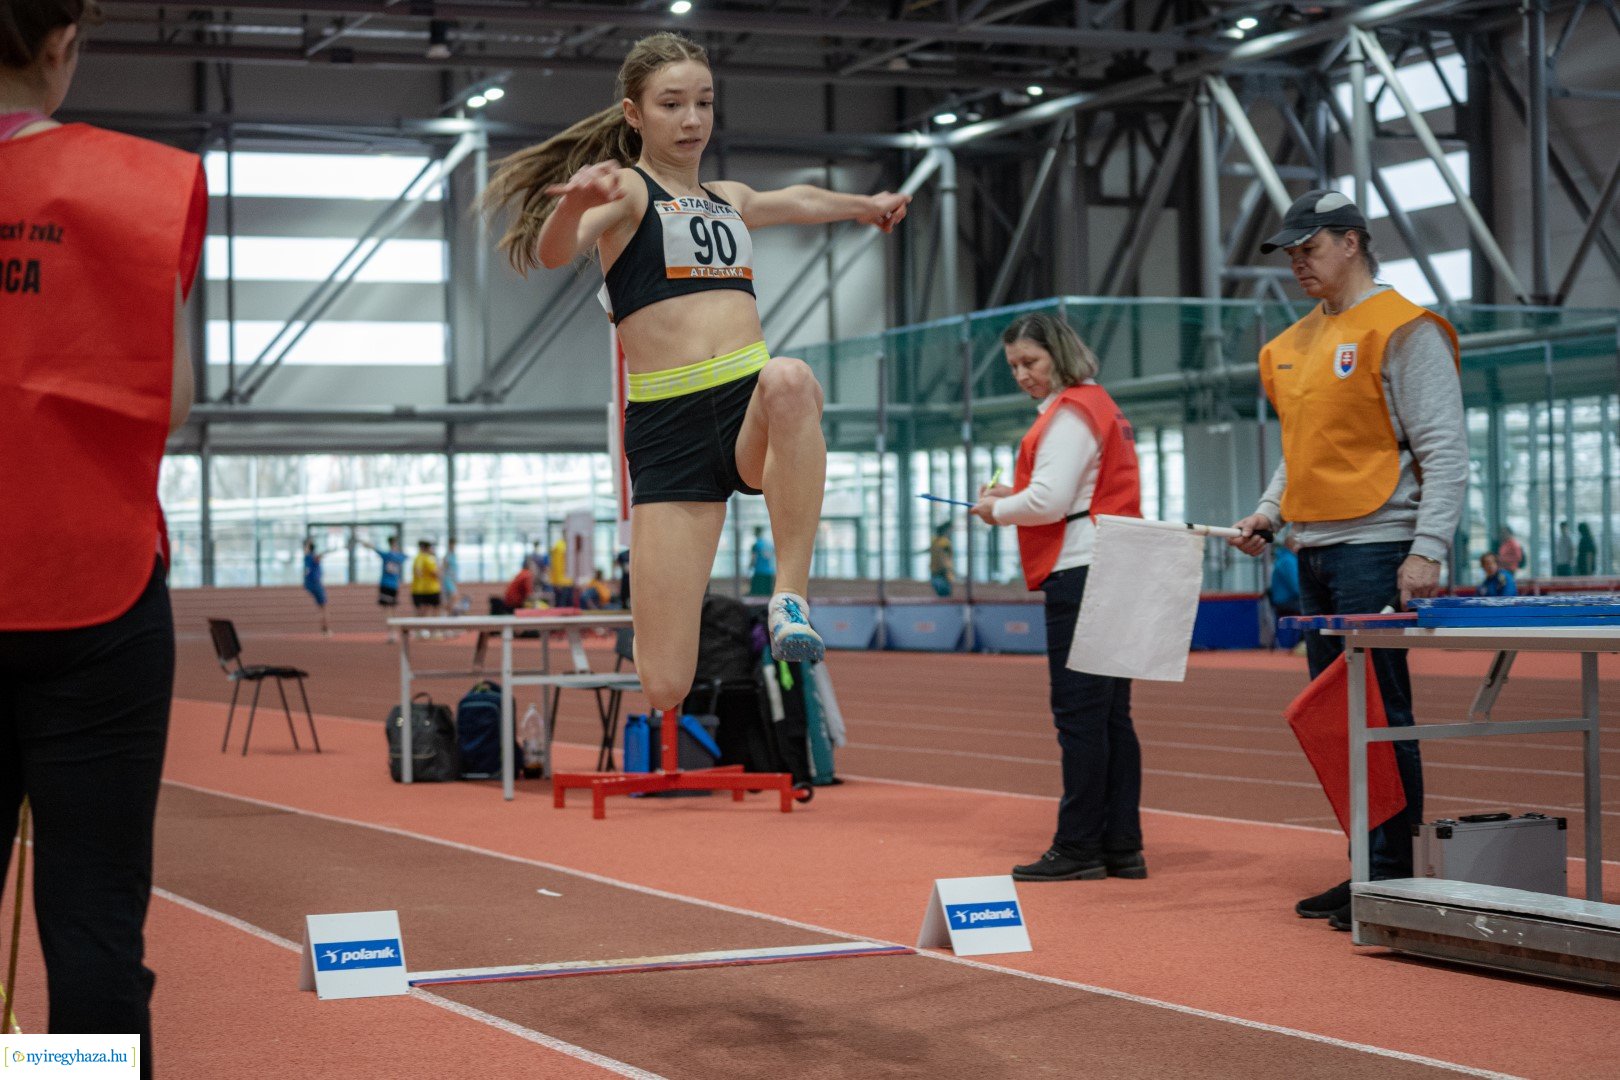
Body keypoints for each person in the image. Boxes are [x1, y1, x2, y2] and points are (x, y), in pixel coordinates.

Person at [483, 31, 908, 717]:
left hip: (748, 403)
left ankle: (790, 600)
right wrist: (572, 202)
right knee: (665, 684)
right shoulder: (626, 191)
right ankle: (679, 673)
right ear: (634, 115)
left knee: (792, 379)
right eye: (672, 104)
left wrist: (866, 207)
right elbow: (554, 250)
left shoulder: (729, 197)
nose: (691, 120)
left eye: (704, 103)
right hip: (668, 427)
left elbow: (796, 201)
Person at [1, 1, 206, 1070]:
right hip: (99, 591)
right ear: (61, 42)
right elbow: (164, 405)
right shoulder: (137, 185)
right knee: (90, 929)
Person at [1229, 190, 1467, 932]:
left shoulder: (1403, 330)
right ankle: (1368, 865)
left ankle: (1393, 876)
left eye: (1310, 248)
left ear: (1353, 242)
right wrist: (1269, 510)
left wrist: (1428, 547)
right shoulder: (1296, 343)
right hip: (1315, 551)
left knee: (1382, 712)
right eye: (1290, 252)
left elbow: (1444, 448)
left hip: (1379, 547)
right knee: (1337, 718)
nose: (1297, 262)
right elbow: (1298, 451)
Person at [970, 313, 1146, 883]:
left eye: (1031, 362)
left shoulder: (1070, 414)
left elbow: (1048, 501)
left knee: (1081, 719)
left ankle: (1079, 847)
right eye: (1014, 366)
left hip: (1083, 569)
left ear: (1059, 356)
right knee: (1111, 717)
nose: (1022, 375)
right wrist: (1013, 495)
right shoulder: (1097, 406)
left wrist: (998, 507)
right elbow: (1057, 493)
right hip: (1115, 564)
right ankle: (1120, 845)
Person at [365, 535, 407, 642]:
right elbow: (405, 557)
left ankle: (391, 633)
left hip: (387, 585)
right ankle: (392, 632)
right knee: (391, 609)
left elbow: (374, 548)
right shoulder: (398, 556)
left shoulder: (387, 555)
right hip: (391, 585)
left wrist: (368, 545)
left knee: (388, 610)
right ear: (395, 544)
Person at [1269, 534, 1304, 653]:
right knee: (1314, 609)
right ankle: (1303, 644)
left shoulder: (1285, 558)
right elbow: (1297, 587)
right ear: (1292, 545)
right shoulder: (1287, 561)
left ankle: (1303, 643)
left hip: (1287, 601)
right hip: (1285, 602)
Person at [302, 538, 332, 636]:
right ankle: (325, 629)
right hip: (315, 584)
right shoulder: (311, 557)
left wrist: (309, 542)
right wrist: (328, 551)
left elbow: (307, 549)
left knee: (322, 607)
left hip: (310, 584)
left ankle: (325, 628)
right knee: (323, 607)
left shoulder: (306, 557)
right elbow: (317, 557)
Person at [410, 539, 441, 623]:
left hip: (418, 588)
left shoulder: (417, 558)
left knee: (422, 611)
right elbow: (436, 573)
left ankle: (419, 630)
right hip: (431, 588)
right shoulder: (428, 559)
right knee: (434, 610)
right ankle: (433, 630)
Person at [927, 521, 955, 598]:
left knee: (941, 598)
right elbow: (942, 558)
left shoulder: (934, 541)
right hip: (943, 574)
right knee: (945, 597)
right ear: (947, 530)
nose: (952, 533)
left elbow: (931, 551)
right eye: (951, 530)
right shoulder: (944, 543)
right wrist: (949, 570)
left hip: (935, 574)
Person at [747, 525, 775, 597]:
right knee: (767, 595)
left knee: (757, 596)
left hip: (759, 572)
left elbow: (753, 559)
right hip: (769, 572)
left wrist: (749, 568)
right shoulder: (769, 544)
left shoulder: (756, 545)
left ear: (755, 533)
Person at [548, 533, 574, 607]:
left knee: (563, 606)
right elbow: (557, 566)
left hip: (565, 582)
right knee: (563, 606)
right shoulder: (561, 547)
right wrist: (557, 582)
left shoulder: (562, 546)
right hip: (563, 583)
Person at [440, 537, 461, 615]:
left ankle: (448, 613)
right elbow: (442, 568)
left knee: (451, 599)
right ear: (449, 545)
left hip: (452, 579)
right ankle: (448, 612)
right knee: (454, 597)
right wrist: (441, 580)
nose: (454, 547)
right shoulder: (447, 556)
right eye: (452, 545)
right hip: (447, 579)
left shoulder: (454, 555)